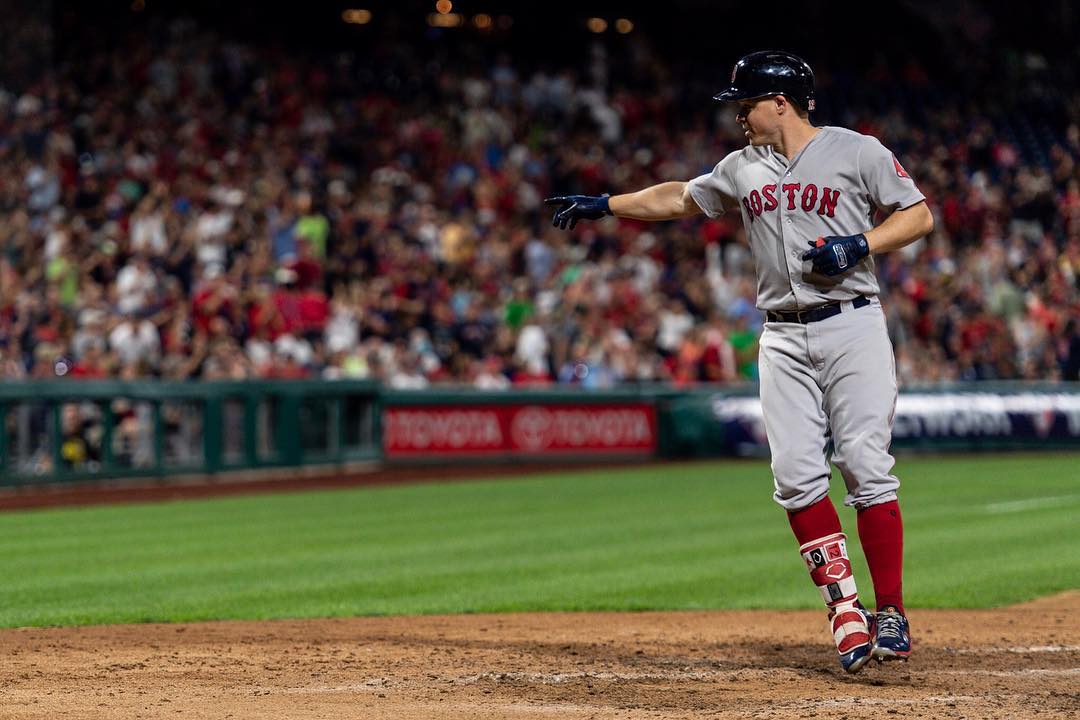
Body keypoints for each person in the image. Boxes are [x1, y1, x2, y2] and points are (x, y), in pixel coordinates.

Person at [545, 50, 932, 674]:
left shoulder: (857, 150)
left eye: (746, 104)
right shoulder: (741, 167)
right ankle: (845, 609)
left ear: (780, 102)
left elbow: (918, 214)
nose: (739, 115)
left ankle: (890, 609)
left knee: (865, 463)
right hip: (780, 335)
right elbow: (679, 198)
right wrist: (605, 204)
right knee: (795, 475)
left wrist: (862, 242)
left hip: (853, 322)